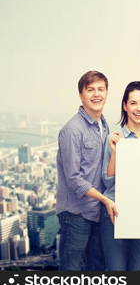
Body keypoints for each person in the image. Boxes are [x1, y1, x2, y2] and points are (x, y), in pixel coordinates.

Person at [56, 70, 118, 270]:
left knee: (96, 269)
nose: (96, 94)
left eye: (101, 89)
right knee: (72, 271)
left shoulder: (103, 124)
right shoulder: (72, 130)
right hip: (75, 214)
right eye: (90, 90)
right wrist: (105, 199)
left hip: (96, 212)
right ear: (81, 95)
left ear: (107, 94)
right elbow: (74, 179)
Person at [100, 81, 140, 270]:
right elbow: (108, 181)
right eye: (133, 103)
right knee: (116, 271)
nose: (139, 108)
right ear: (125, 106)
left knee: (136, 270)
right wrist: (116, 152)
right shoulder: (114, 138)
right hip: (115, 213)